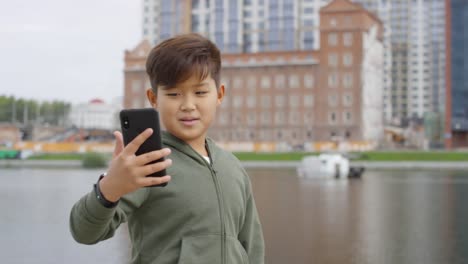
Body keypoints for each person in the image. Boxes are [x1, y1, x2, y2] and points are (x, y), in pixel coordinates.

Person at [69, 33, 265, 264]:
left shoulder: (233, 168)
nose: (188, 105)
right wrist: (109, 186)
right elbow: (84, 232)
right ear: (153, 98)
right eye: (173, 94)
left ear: (219, 94)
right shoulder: (148, 164)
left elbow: (252, 247)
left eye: (200, 92)